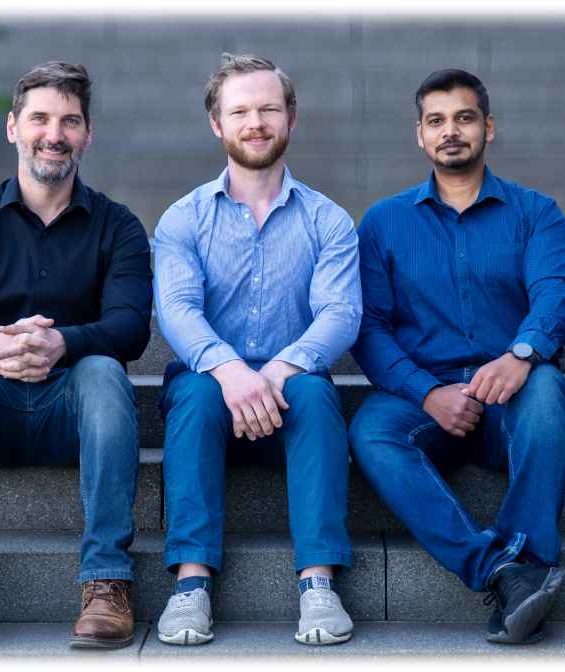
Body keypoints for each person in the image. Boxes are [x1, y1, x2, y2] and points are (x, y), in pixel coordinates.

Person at [0, 61, 153, 652]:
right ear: (13, 127)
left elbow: (130, 328)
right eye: (39, 118)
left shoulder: (118, 227)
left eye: (69, 121)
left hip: (74, 412)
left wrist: (60, 342)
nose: (54, 133)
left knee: (103, 371)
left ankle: (106, 584)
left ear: (87, 134)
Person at [348, 69, 565, 644]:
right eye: (437, 121)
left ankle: (528, 552)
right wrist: (427, 391)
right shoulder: (383, 222)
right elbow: (369, 327)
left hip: (509, 396)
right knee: (370, 431)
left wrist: (521, 355)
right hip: (423, 400)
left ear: (488, 128)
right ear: (420, 136)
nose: (451, 131)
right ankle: (503, 573)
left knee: (548, 387)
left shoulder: (535, 212)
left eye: (464, 118)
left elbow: (557, 291)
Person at [152, 53, 361, 647]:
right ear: (216, 124)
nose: (256, 122)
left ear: (291, 118)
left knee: (318, 393)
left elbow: (341, 313)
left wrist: (273, 371)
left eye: (269, 108)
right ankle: (191, 584)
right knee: (191, 392)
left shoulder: (329, 221)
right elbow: (178, 311)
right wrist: (230, 371)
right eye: (239, 110)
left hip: (291, 386)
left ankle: (318, 583)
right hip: (210, 388)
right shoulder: (182, 219)